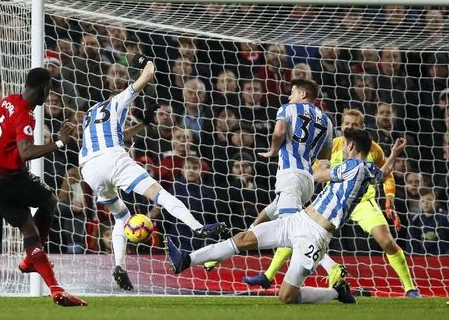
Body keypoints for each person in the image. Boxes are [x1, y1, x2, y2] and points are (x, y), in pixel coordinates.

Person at [167, 129, 406, 304]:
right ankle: (185, 260)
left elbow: (320, 175)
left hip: (315, 236)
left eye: (344, 144)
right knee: (244, 239)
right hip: (299, 220)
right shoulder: (368, 170)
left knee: (287, 297)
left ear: (352, 147)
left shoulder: (353, 166)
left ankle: (338, 292)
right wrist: (394, 154)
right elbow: (383, 175)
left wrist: (313, 159)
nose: (342, 148)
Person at [79, 55, 227, 292]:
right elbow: (146, 76)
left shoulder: (92, 114)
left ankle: (119, 266)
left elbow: (119, 135)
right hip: (113, 159)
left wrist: (143, 125)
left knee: (120, 216)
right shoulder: (119, 101)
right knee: (161, 195)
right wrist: (143, 61)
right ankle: (197, 226)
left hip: (89, 168)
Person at [0, 67, 86, 306]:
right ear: (45, 89)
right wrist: (59, 141)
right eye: (50, 90)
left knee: (29, 229)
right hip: (7, 179)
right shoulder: (25, 115)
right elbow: (25, 151)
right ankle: (33, 261)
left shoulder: (7, 101)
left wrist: (1, 156)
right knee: (49, 200)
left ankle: (53, 286)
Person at [243, 78, 337, 288]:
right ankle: (227, 250)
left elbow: (279, 132)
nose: (289, 96)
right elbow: (324, 158)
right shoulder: (327, 121)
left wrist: (273, 150)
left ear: (303, 94)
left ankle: (332, 268)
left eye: (292, 92)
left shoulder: (287, 108)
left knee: (295, 233)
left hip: (290, 176)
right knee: (268, 213)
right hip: (307, 181)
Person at [320, 109, 420, 297]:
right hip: (333, 201)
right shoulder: (332, 145)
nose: (349, 127)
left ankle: (410, 288)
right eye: (346, 124)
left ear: (362, 127)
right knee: (302, 233)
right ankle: (269, 275)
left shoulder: (373, 148)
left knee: (387, 241)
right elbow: (318, 167)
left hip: (363, 201)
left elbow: (386, 174)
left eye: (354, 125)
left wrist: (389, 197)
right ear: (341, 126)